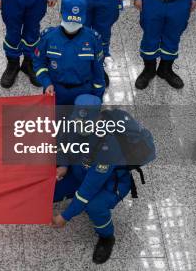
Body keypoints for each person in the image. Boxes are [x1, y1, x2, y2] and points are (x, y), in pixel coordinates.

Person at [51, 94, 132, 264]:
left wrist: (66, 216)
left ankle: (106, 237)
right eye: (77, 121)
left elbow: (88, 190)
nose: (78, 126)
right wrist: (63, 165)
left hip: (109, 184)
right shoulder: (73, 123)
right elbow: (62, 143)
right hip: (80, 172)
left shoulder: (107, 146)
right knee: (50, 188)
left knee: (94, 206)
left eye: (84, 123)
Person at [32, 0, 105, 106]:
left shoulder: (93, 39)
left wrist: (97, 99)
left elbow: (98, 73)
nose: (72, 24)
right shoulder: (48, 37)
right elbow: (39, 63)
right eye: (69, 20)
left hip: (84, 91)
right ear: (61, 13)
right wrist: (47, 83)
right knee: (55, 121)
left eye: (76, 21)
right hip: (55, 90)